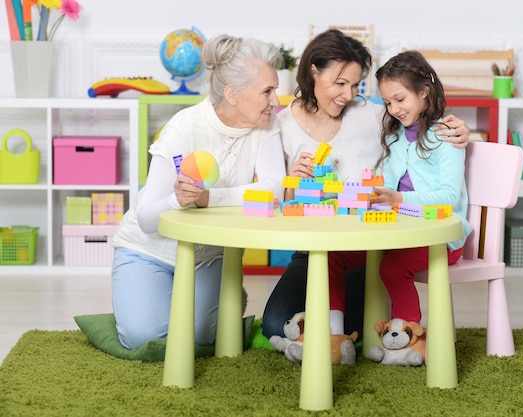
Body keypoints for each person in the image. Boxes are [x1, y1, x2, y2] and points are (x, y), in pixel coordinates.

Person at [261, 29, 470, 340]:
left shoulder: (377, 115)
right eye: (340, 83)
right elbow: (279, 199)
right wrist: (293, 180)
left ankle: (371, 336)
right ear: (314, 72)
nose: (349, 94)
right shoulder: (281, 124)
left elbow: (416, 117)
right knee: (276, 324)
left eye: (356, 84)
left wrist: (459, 128)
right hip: (315, 247)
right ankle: (335, 338)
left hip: (371, 241)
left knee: (359, 323)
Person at [111, 34, 286, 350]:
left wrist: (210, 199)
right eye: (267, 91)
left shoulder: (266, 123)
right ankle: (147, 296)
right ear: (232, 94)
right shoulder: (185, 126)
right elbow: (149, 220)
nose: (275, 101)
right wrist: (176, 200)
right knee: (143, 338)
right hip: (149, 251)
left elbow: (275, 191)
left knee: (197, 338)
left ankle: (221, 298)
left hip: (208, 256)